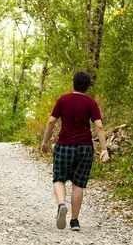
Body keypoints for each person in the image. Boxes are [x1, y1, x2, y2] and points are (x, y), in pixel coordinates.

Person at [41, 71, 109, 231]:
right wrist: (103, 149)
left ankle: (61, 205)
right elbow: (98, 126)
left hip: (64, 145)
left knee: (59, 178)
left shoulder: (63, 100)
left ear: (74, 83)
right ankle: (74, 221)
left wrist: (45, 142)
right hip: (85, 148)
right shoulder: (91, 103)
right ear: (87, 87)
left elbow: (51, 121)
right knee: (79, 184)